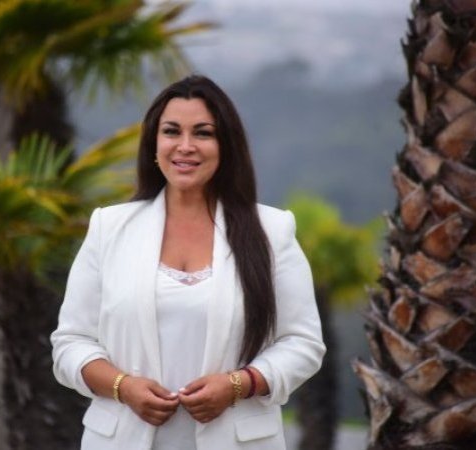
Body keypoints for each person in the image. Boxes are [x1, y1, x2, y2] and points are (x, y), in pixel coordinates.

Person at [51, 75, 326, 450]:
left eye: (202, 133)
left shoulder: (272, 231)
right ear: (154, 144)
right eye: (171, 131)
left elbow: (303, 344)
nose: (185, 146)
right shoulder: (109, 228)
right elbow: (71, 343)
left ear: (225, 145)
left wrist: (238, 385)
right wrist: (123, 387)